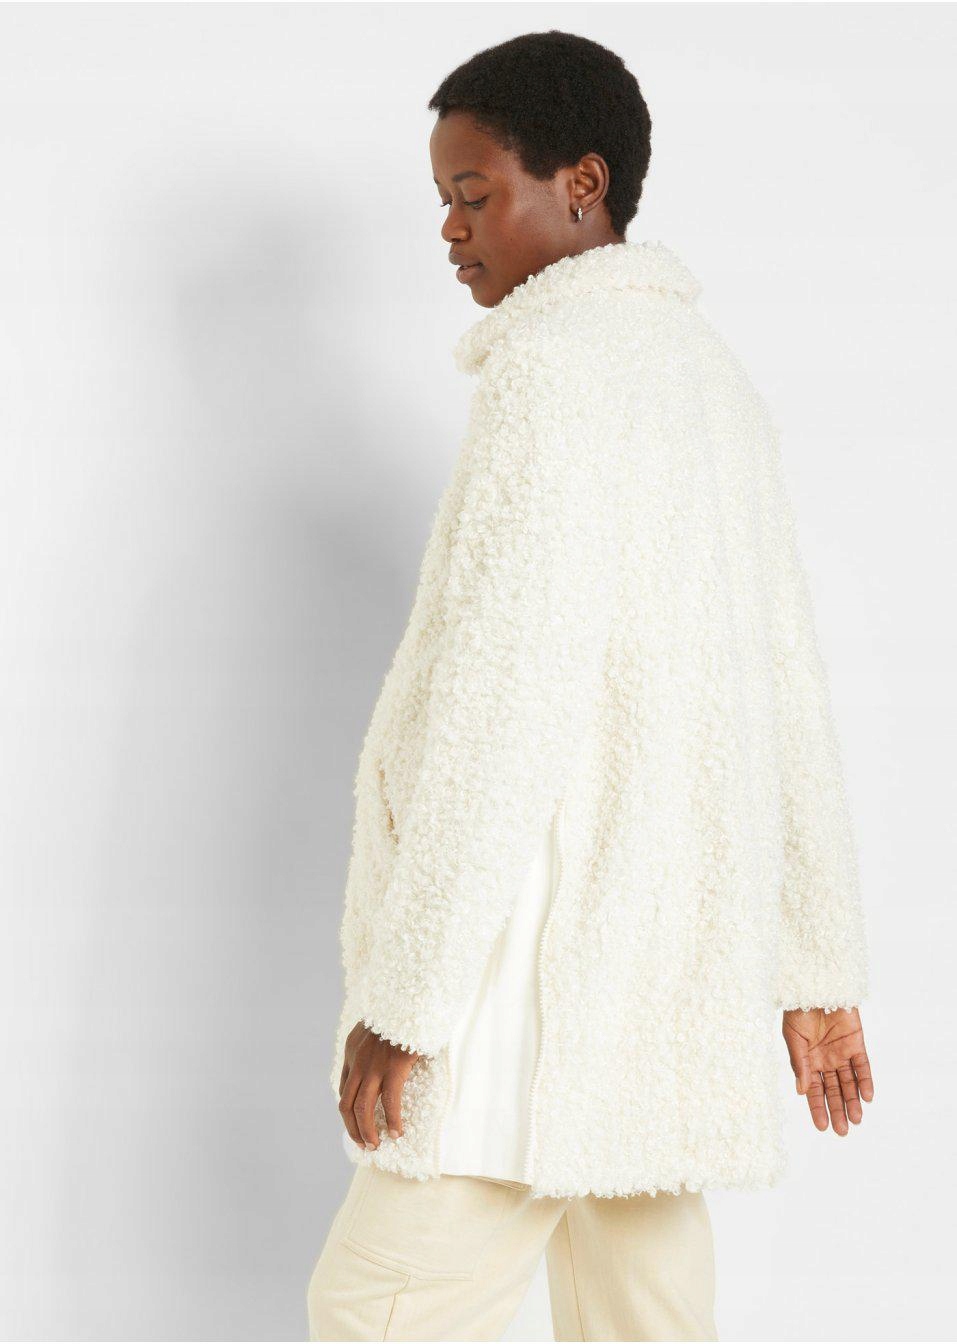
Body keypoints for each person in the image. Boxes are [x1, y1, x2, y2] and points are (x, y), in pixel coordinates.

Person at [307, 28, 876, 1343]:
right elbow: (784, 690)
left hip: (527, 975)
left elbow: (500, 708)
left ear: (581, 182)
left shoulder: (552, 379)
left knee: (374, 1314)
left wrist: (408, 996)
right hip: (658, 993)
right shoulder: (708, 381)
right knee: (642, 1322)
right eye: (441, 201)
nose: (450, 230)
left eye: (473, 193)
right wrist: (815, 963)